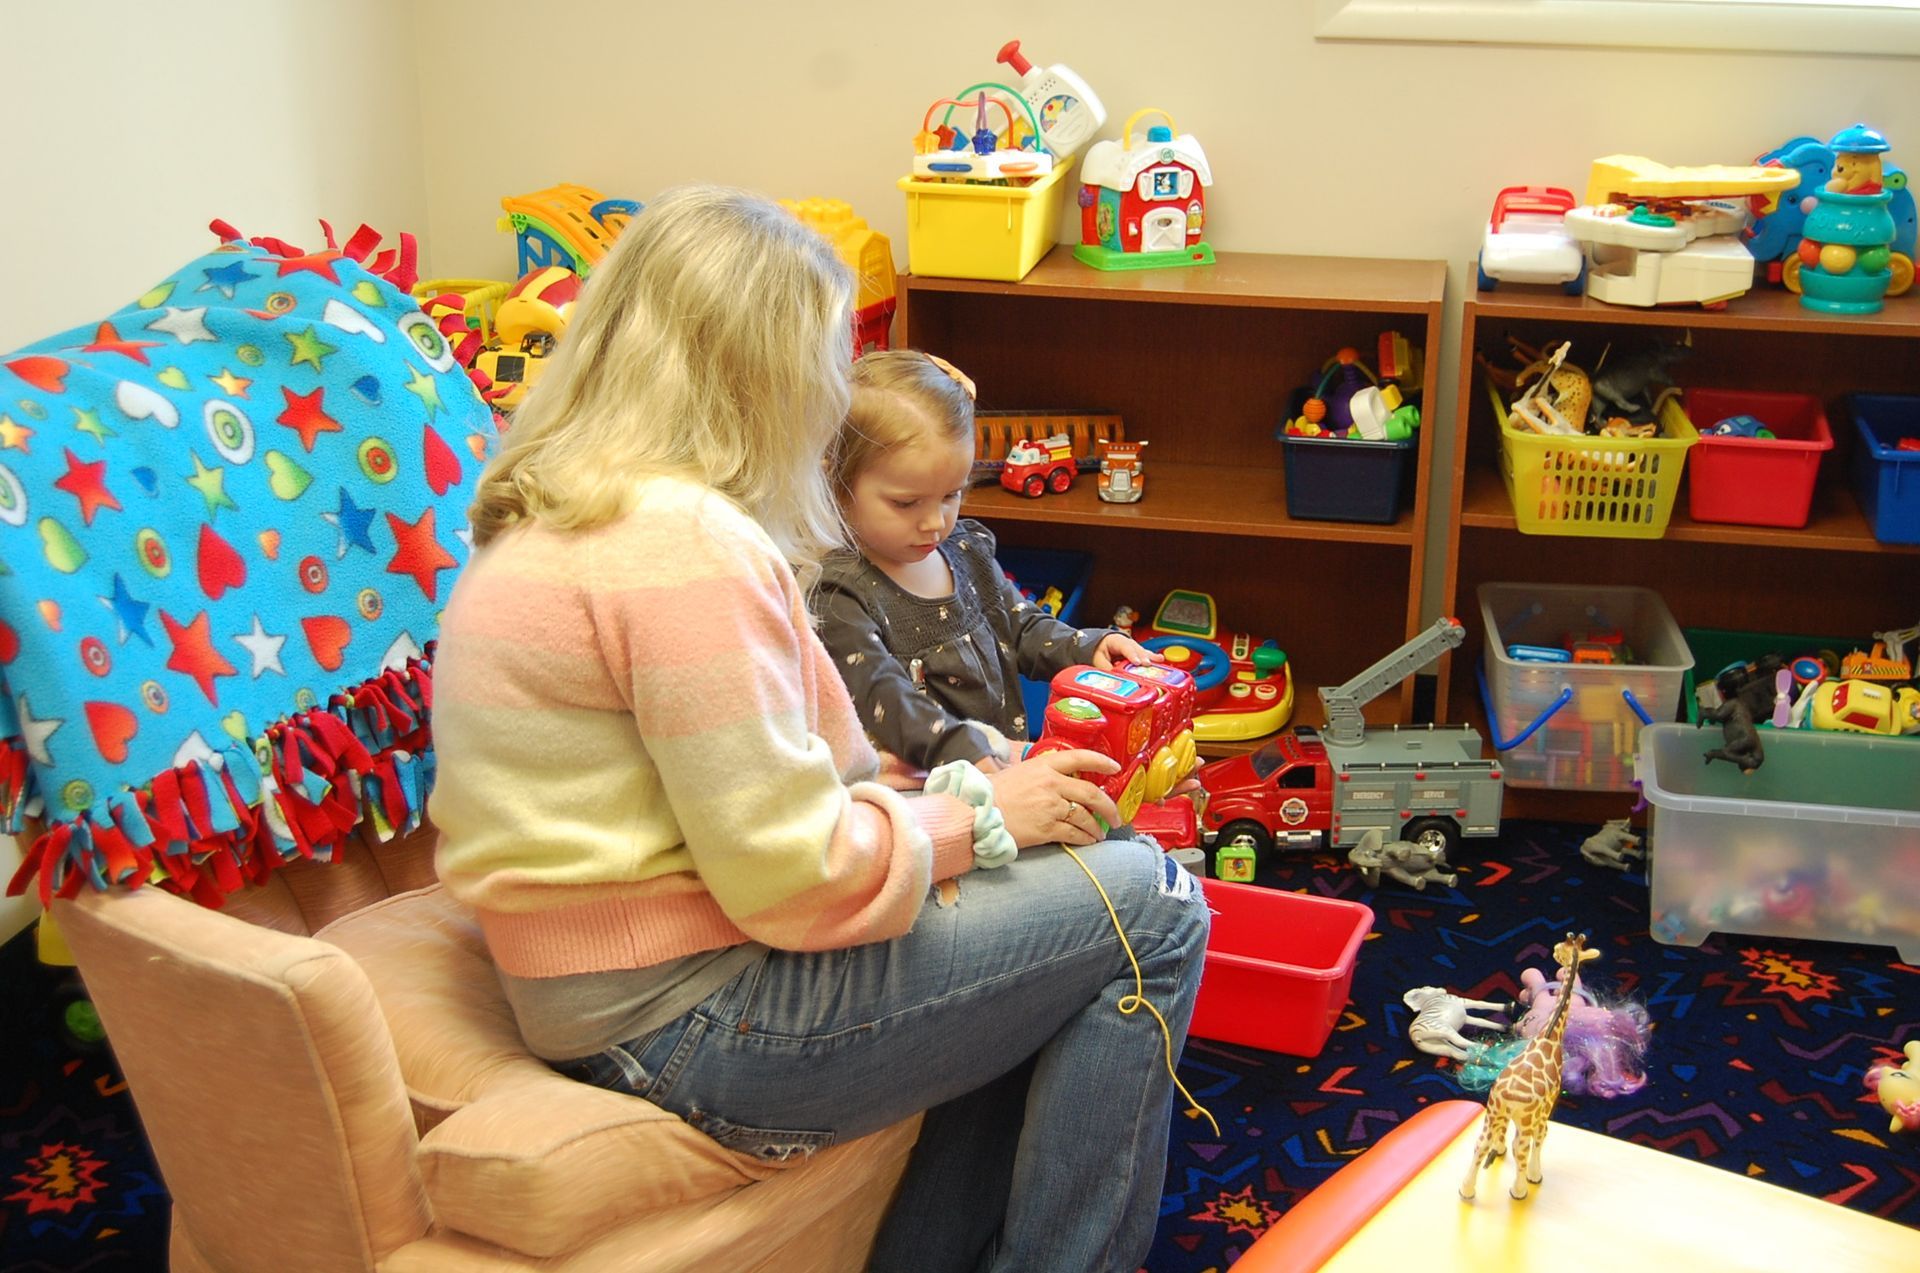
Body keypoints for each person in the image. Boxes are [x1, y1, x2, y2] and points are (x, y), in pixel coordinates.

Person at [428, 185, 1210, 1273]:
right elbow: (795, 880)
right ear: (766, 375)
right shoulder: (681, 543)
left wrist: (955, 808)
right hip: (687, 1019)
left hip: (598, 988)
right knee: (1157, 903)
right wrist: (984, 821)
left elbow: (729, 804)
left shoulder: (555, 512)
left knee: (1047, 943)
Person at [818, 351, 1155, 777]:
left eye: (951, 495)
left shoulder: (963, 550)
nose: (934, 522)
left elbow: (1023, 628)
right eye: (906, 503)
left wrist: (1086, 647)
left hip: (1003, 771)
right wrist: (959, 747)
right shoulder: (840, 593)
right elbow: (883, 694)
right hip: (929, 796)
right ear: (838, 483)